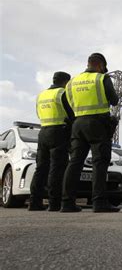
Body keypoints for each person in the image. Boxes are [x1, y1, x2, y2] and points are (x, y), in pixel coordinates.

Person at [61, 53, 120, 213]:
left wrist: (75, 117)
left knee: (75, 163)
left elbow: (64, 101)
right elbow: (114, 100)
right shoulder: (101, 78)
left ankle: (67, 202)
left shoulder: (72, 82)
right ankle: (99, 202)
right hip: (98, 124)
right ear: (100, 65)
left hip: (78, 124)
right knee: (99, 163)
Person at [28, 72, 73, 211]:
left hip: (43, 132)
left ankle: (34, 202)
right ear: (65, 82)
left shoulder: (41, 95)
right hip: (58, 132)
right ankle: (54, 203)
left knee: (41, 168)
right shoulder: (61, 93)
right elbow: (71, 113)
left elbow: (38, 114)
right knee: (57, 169)